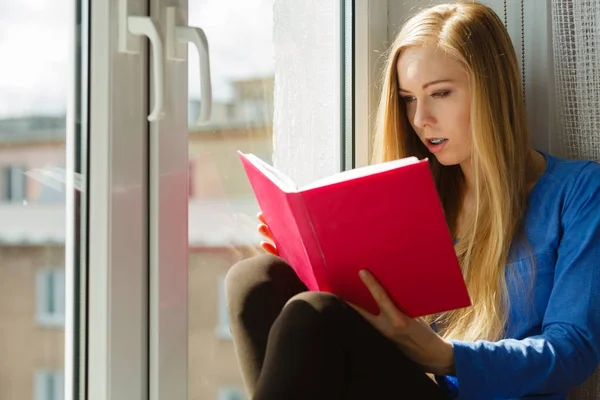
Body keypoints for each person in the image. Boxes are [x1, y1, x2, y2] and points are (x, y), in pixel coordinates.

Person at [225, 2, 600, 399]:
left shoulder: (577, 192)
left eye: (439, 93)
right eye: (407, 98)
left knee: (312, 316)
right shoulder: (415, 199)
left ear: (493, 91)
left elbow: (572, 349)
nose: (421, 118)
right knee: (257, 280)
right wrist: (303, 254)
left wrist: (447, 356)